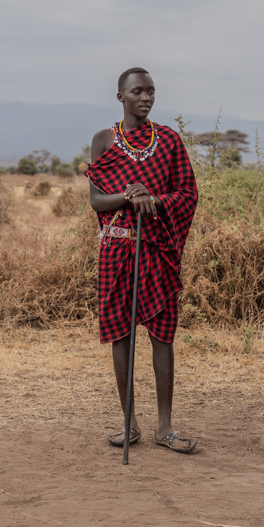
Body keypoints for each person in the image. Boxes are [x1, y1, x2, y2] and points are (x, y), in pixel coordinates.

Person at [85, 67, 199, 452]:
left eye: (151, 91)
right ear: (121, 97)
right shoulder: (104, 139)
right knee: (121, 334)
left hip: (157, 250)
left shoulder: (168, 141)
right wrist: (130, 197)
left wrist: (154, 199)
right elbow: (97, 200)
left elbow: (187, 194)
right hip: (117, 249)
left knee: (162, 335)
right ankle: (129, 422)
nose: (146, 98)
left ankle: (165, 426)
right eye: (137, 91)